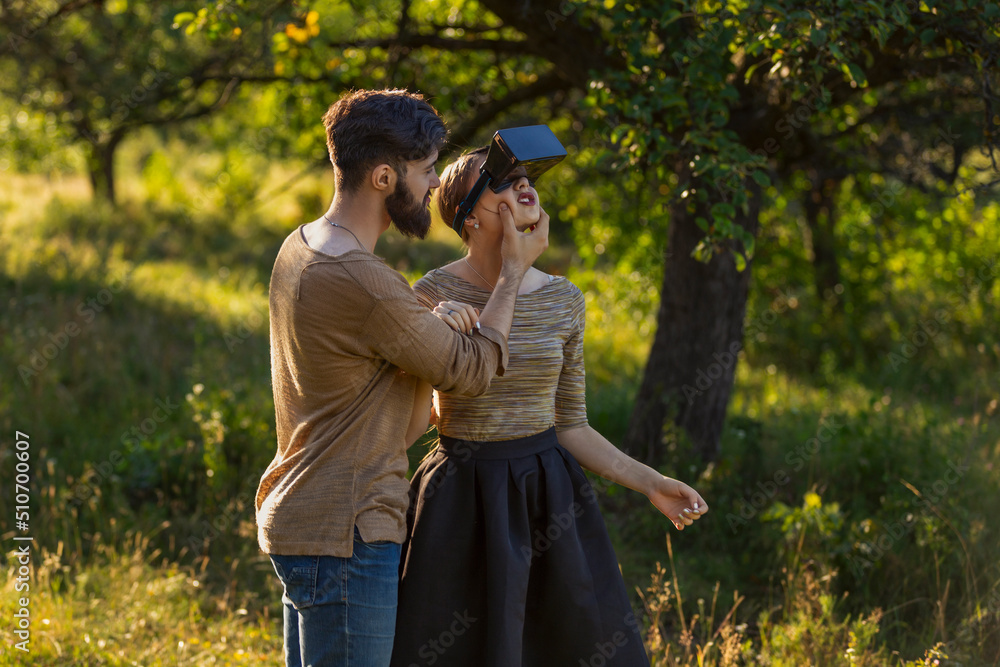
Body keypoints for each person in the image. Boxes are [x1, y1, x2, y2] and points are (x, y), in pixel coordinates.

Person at [256, 92, 549, 667]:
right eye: (427, 170)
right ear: (385, 176)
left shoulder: (302, 246)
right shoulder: (364, 280)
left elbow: (379, 380)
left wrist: (427, 328)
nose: (438, 185)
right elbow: (470, 370)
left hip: (309, 520)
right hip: (348, 532)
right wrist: (513, 275)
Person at [390, 146, 709, 667]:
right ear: (469, 215)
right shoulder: (432, 293)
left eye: (523, 177)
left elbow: (571, 425)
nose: (522, 186)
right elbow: (414, 418)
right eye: (500, 181)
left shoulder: (565, 299)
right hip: (457, 498)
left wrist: (651, 482)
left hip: (547, 496)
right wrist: (430, 341)